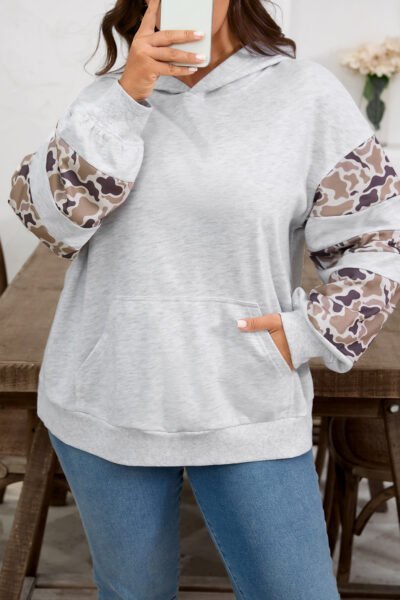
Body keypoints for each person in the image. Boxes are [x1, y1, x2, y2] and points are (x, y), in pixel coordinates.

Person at [7, 0, 400, 597]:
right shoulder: (107, 101)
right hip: (108, 398)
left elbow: (377, 238)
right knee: (132, 593)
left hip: (246, 399)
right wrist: (128, 95)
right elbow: (50, 222)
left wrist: (305, 334)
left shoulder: (306, 97)